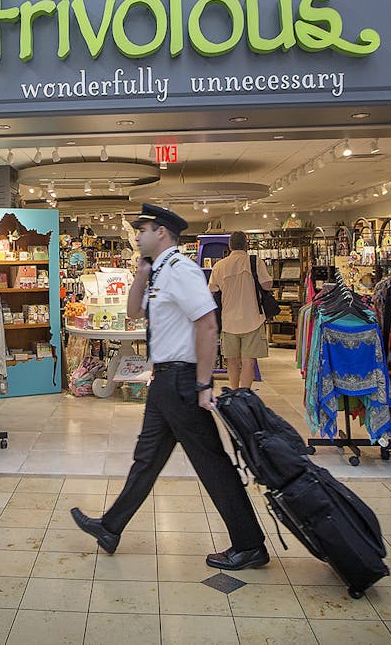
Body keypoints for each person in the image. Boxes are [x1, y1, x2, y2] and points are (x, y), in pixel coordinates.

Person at [70, 203, 268, 571]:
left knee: (212, 465)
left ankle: (250, 544)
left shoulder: (182, 271)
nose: (137, 235)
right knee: (146, 460)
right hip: (164, 381)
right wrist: (141, 275)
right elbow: (133, 312)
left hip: (182, 381)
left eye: (142, 230)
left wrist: (204, 383)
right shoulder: (159, 273)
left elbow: (208, 325)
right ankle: (111, 527)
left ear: (161, 232)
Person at [207, 230, 273, 391]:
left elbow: (212, 289)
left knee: (232, 360)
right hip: (252, 319)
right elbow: (267, 285)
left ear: (230, 246)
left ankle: (234, 390)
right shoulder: (255, 262)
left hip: (229, 320)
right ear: (246, 245)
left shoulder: (219, 266)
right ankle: (245, 393)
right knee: (248, 360)